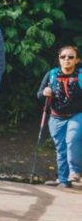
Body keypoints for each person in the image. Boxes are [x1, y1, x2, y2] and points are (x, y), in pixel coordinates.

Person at [37, 45, 81, 188]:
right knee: (61, 148)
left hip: (77, 114)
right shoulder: (52, 74)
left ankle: (75, 172)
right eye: (63, 57)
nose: (66, 60)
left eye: (70, 57)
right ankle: (63, 180)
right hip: (56, 117)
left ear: (77, 60)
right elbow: (38, 95)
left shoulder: (80, 75)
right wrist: (45, 92)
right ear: (59, 59)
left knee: (72, 139)